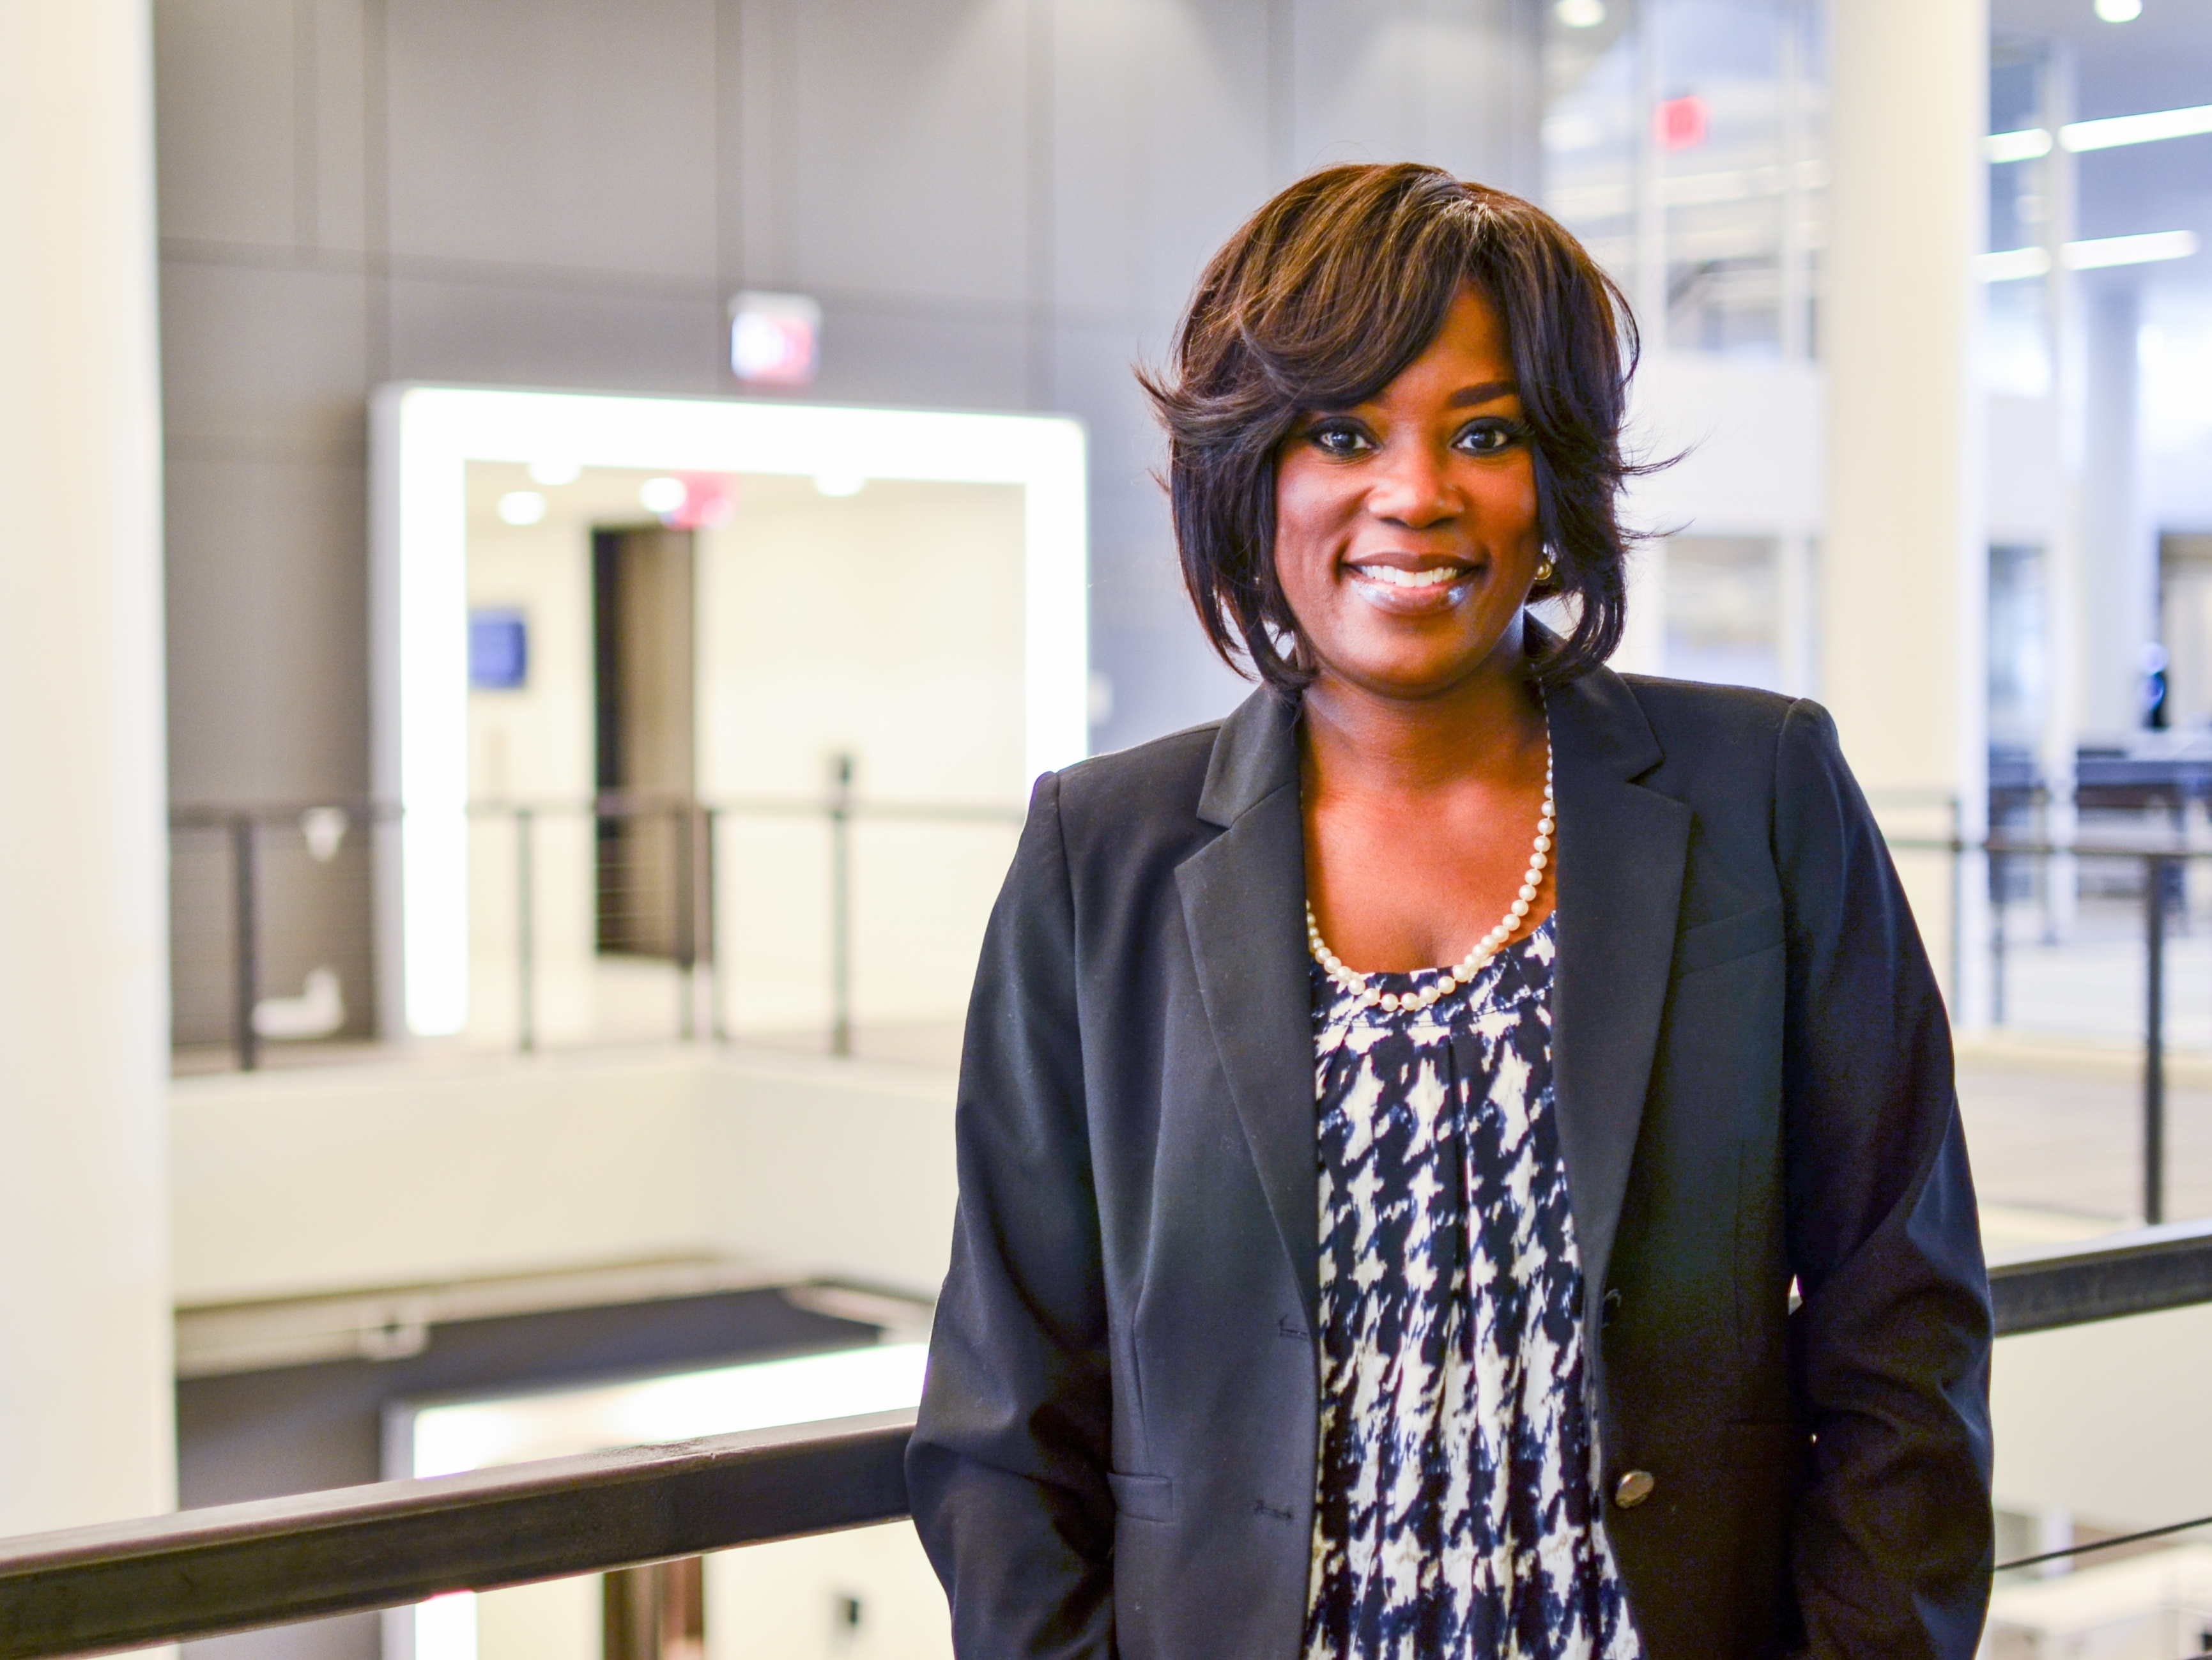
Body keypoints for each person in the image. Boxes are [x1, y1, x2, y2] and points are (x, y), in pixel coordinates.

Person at [906, 162, 1992, 1660]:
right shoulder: (1101, 856)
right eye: (1343, 433)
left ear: (1555, 480)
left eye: (1484, 433)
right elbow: (1005, 1411)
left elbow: (1902, 1324)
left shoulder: (1764, 793)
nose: (1416, 494)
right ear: (1253, 474)